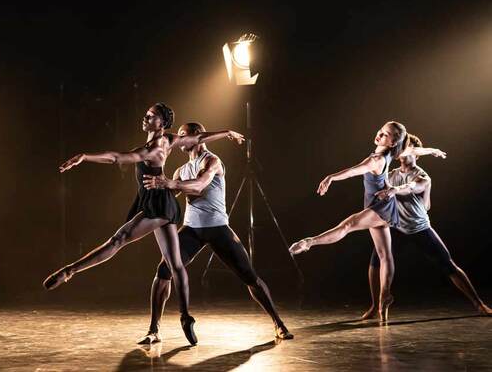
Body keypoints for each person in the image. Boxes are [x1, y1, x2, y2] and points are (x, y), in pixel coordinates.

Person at [43, 103, 244, 345]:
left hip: (159, 204)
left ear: (161, 123)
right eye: (146, 115)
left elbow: (117, 157)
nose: (145, 118)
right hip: (161, 202)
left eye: (151, 116)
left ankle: (69, 271)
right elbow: (198, 136)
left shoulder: (155, 148)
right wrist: (227, 132)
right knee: (175, 264)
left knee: (119, 239)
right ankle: (185, 316)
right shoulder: (168, 140)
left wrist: (85, 157)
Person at [138, 122, 293, 344]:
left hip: (218, 228)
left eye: (184, 135)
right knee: (164, 271)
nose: (180, 139)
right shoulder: (181, 170)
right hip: (192, 230)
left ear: (197, 137)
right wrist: (154, 190)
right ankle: (153, 330)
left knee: (249, 276)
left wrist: (170, 183)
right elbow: (170, 195)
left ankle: (279, 324)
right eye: (178, 135)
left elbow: (200, 185)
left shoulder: (212, 161)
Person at [288, 121, 446, 321]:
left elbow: (353, 170)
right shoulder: (391, 153)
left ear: (392, 142)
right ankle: (384, 298)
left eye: (385, 135)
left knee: (348, 225)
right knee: (385, 255)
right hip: (382, 206)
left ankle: (310, 242)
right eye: (381, 131)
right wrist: (432, 150)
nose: (379, 135)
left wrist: (331, 177)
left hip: (380, 208)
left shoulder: (377, 159)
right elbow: (412, 149)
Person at [361, 134, 491, 319]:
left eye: (410, 149)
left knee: (448, 264)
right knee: (375, 262)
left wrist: (396, 190)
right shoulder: (391, 174)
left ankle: (479, 305)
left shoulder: (422, 176)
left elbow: (413, 187)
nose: (405, 152)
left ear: (417, 154)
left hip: (418, 227)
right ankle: (376, 306)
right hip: (396, 227)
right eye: (402, 149)